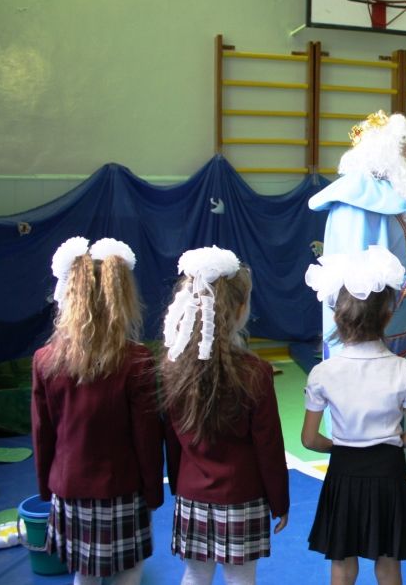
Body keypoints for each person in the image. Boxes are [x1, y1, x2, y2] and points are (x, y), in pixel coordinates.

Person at [32, 237, 163, 585]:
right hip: (122, 487)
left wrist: (47, 487)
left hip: (69, 486)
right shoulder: (136, 360)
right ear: (120, 298)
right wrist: (153, 491)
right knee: (129, 570)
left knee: (84, 573)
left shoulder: (45, 360)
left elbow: (42, 433)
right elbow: (147, 437)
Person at [161, 246, 289, 585]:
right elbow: (268, 446)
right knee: (241, 578)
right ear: (241, 309)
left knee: (194, 574)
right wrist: (280, 501)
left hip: (192, 493)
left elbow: (172, 440)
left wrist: (180, 485)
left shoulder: (172, 368)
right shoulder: (255, 372)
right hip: (243, 494)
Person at [301, 246, 406, 585]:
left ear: (338, 317)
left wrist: (341, 445)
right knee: (388, 565)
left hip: (344, 472)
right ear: (387, 316)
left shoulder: (323, 373)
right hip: (389, 474)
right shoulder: (404, 369)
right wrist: (387, 442)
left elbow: (309, 439)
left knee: (343, 564)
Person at [308, 110, 406, 358]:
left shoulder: (384, 195)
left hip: (392, 321)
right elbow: (357, 270)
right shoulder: (358, 201)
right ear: (383, 153)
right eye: (403, 150)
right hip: (365, 332)